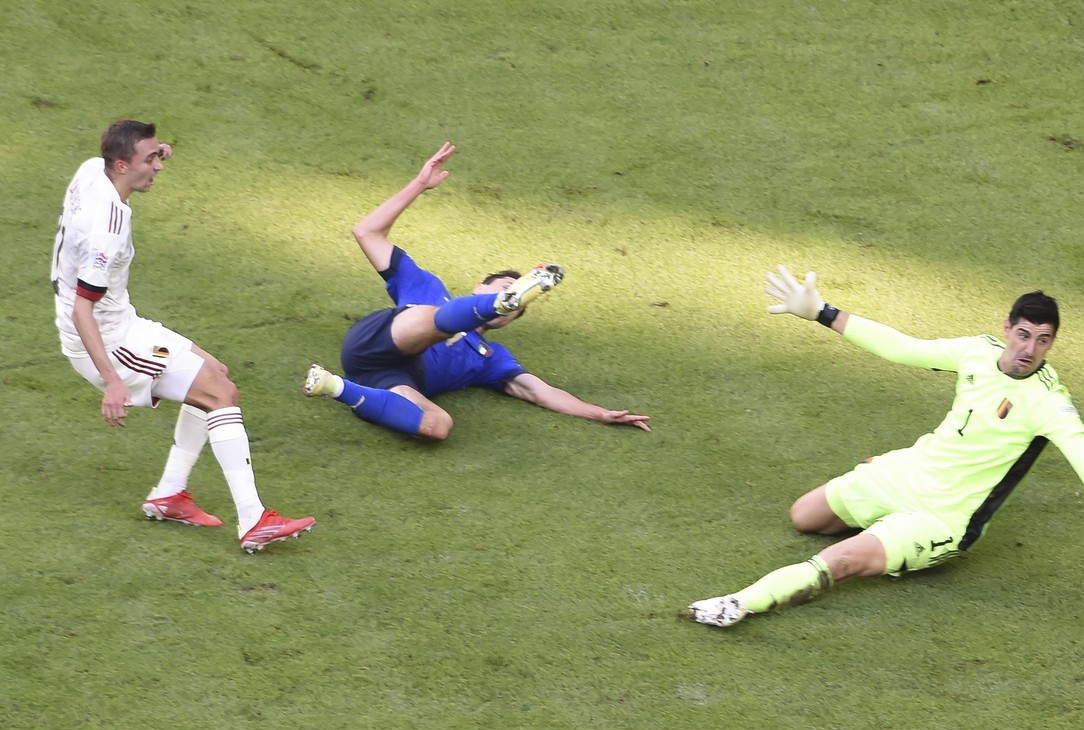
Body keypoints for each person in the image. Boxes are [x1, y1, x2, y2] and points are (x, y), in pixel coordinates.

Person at [688, 266, 1084, 626]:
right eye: (1023, 334)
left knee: (841, 561)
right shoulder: (976, 351)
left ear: (1052, 344)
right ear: (1007, 327)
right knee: (803, 517)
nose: (1029, 349)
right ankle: (879, 520)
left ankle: (739, 604)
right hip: (907, 472)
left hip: (943, 517)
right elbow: (903, 347)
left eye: (1043, 340)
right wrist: (823, 313)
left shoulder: (1049, 403)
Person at [50, 120, 315, 553]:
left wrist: (155, 152)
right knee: (220, 394)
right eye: (151, 159)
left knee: (217, 373)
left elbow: (124, 164)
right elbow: (84, 310)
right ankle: (253, 520)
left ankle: (169, 493)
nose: (159, 166)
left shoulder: (91, 170)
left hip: (122, 321)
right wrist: (112, 382)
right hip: (107, 339)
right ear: (122, 164)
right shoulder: (107, 231)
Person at [302, 142, 652, 439]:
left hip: (391, 380)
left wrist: (600, 414)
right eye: (506, 290)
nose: (513, 304)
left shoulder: (489, 358)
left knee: (439, 426)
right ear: (480, 288)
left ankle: (333, 386)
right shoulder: (426, 287)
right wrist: (419, 185)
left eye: (514, 305)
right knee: (435, 319)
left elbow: (539, 391)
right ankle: (488, 305)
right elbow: (367, 232)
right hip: (376, 343)